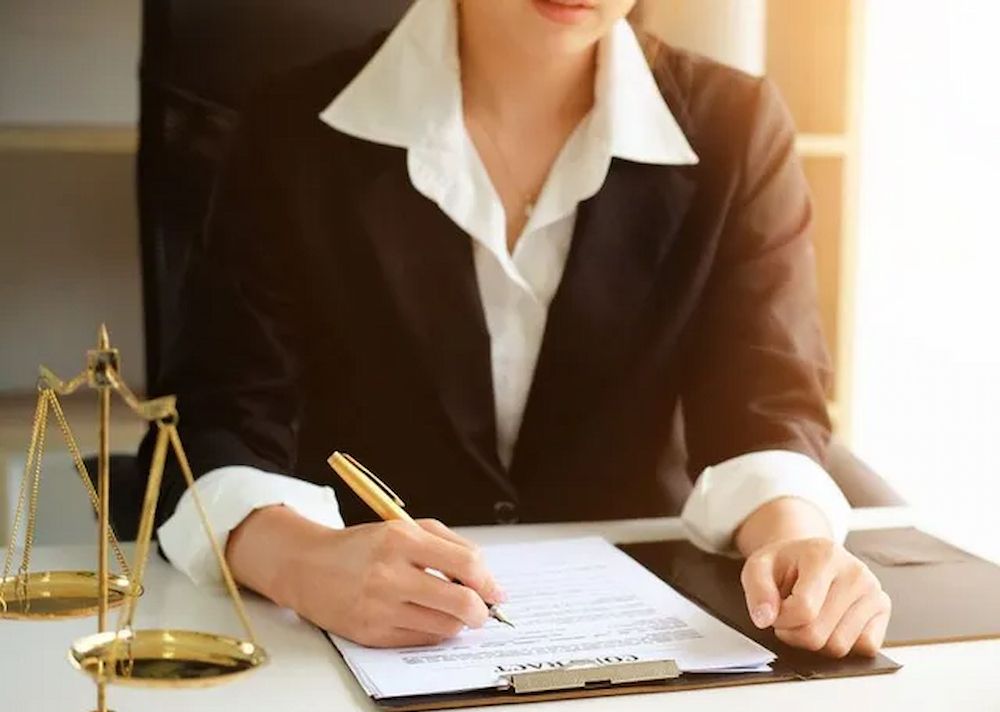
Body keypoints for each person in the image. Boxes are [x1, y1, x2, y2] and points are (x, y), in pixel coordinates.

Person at [146, 0, 891, 656]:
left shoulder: (738, 126)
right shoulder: (292, 128)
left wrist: (796, 539)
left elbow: (766, 402)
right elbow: (217, 421)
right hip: (360, 646)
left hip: (639, 644)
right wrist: (305, 560)